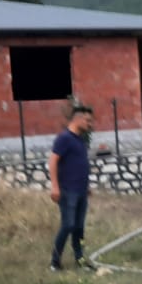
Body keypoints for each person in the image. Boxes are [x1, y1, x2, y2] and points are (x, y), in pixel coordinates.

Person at [49, 106, 94, 271]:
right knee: (68, 225)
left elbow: (79, 165)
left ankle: (80, 260)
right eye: (88, 120)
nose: (90, 124)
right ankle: (55, 262)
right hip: (68, 191)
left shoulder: (80, 140)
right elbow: (53, 161)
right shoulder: (64, 138)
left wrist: (86, 186)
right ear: (78, 119)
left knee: (79, 227)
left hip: (81, 191)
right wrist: (55, 186)